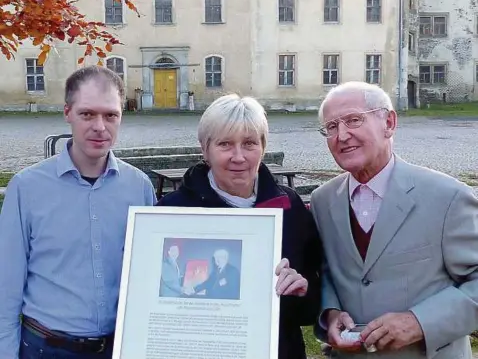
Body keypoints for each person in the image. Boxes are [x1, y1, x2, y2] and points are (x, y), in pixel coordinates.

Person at [310, 81, 478, 359]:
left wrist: (420, 322)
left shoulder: (448, 197)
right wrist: (330, 313)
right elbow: (329, 272)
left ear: (388, 122)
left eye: (354, 120)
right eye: (331, 127)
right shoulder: (323, 201)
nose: (342, 135)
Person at [0, 65, 157, 359]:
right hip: (47, 349)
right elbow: (5, 287)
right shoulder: (27, 188)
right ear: (67, 113)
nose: (100, 126)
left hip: (119, 347)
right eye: (88, 114)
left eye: (111, 115)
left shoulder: (139, 188)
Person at [157, 94, 322, 359]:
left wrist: (301, 291)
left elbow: (311, 307)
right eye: (225, 144)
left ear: (263, 147)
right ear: (205, 150)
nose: (238, 156)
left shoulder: (288, 207)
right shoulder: (172, 212)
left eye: (249, 143)